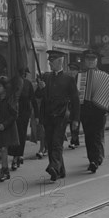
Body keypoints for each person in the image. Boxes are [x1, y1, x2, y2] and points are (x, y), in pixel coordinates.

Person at [35, 50, 80, 182]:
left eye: (52, 61)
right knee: (50, 142)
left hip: (61, 115)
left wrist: (75, 119)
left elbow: (75, 100)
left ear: (60, 61)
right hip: (48, 115)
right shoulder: (45, 77)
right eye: (49, 61)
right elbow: (37, 96)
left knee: (56, 141)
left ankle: (53, 166)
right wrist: (40, 88)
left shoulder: (69, 79)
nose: (49, 63)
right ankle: (60, 170)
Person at [79, 49, 109, 173]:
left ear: (96, 61)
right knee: (88, 136)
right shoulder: (81, 76)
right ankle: (92, 159)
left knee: (97, 136)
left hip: (99, 111)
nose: (90, 61)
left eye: (93, 59)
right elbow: (77, 94)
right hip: (85, 111)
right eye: (88, 59)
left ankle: (95, 159)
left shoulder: (104, 75)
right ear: (85, 61)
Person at [0, 75, 19, 182]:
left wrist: (4, 125)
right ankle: (5, 170)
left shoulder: (10, 100)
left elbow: (14, 115)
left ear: (5, 88)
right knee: (1, 149)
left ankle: (4, 170)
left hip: (8, 128)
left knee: (4, 149)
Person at [8, 68, 39, 171]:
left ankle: (16, 157)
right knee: (13, 135)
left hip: (24, 114)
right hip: (12, 113)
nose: (23, 75)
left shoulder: (27, 84)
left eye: (25, 73)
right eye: (22, 72)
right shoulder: (12, 83)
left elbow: (33, 100)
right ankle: (15, 155)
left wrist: (37, 116)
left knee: (21, 135)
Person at [67, 61, 81, 149]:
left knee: (77, 122)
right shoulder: (68, 80)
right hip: (71, 104)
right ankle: (74, 140)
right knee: (73, 122)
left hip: (81, 104)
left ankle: (75, 139)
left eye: (74, 70)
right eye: (71, 70)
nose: (72, 72)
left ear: (77, 71)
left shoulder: (80, 80)